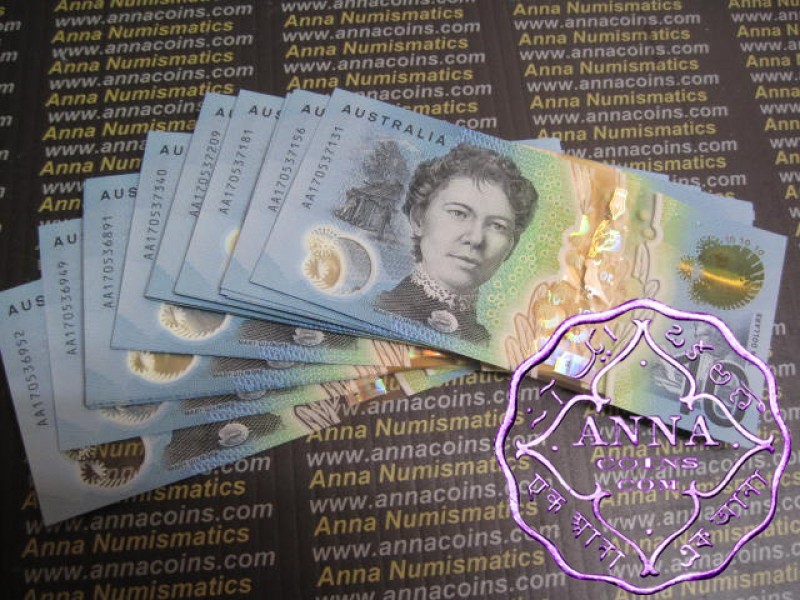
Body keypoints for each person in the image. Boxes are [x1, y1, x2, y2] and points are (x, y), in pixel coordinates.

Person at [375, 143, 537, 344]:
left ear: (511, 246)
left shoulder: (484, 342)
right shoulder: (382, 310)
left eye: (497, 226)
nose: (476, 239)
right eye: (459, 213)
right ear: (418, 219)